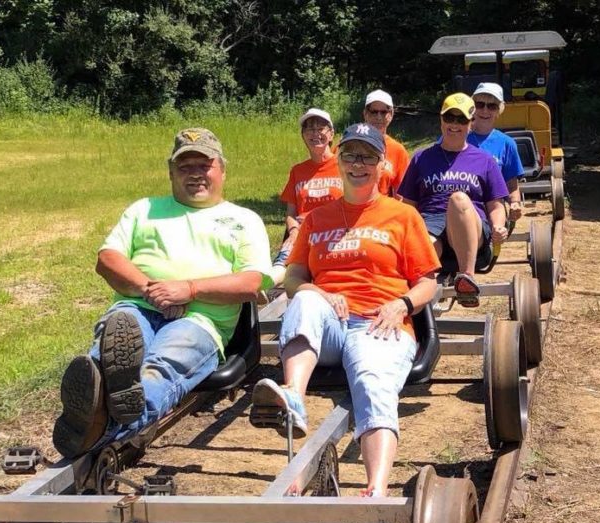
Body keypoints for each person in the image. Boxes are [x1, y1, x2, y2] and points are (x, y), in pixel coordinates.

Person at [53, 127, 272, 458]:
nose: (195, 174)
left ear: (222, 170)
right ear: (171, 172)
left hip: (200, 320)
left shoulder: (244, 220)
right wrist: (150, 290)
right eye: (185, 167)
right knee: (112, 352)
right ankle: (102, 404)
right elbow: (107, 259)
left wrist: (188, 289)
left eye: (204, 165)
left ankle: (96, 426)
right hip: (137, 306)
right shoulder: (144, 210)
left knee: (162, 366)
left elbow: (251, 283)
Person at [252, 123, 439, 501]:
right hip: (330, 327)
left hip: (379, 324)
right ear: (338, 160)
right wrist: (319, 292)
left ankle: (375, 494)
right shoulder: (317, 219)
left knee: (373, 384)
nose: (358, 163)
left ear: (382, 164)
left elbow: (428, 283)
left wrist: (400, 304)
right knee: (303, 300)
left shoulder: (402, 217)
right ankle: (293, 396)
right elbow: (293, 279)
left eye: (368, 156)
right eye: (351, 154)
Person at [397, 93, 509, 308]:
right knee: (424, 245)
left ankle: (466, 278)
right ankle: (419, 292)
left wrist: (498, 226)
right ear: (441, 120)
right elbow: (408, 205)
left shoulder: (484, 160)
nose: (454, 125)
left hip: (470, 226)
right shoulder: (422, 158)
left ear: (471, 123)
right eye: (450, 118)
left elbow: (495, 204)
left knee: (458, 199)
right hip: (431, 223)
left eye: (461, 120)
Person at [270, 108, 343, 285]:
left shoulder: (343, 166)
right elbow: (291, 213)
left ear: (331, 133)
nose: (315, 134)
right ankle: (266, 285)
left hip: (333, 232)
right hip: (302, 232)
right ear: (303, 135)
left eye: (321, 128)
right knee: (286, 258)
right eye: (309, 129)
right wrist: (294, 231)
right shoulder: (298, 171)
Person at [468, 82, 525, 221]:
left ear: (499, 110)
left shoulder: (507, 144)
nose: (485, 111)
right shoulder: (456, 136)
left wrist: (515, 204)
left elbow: (511, 186)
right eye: (480, 104)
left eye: (492, 106)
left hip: (491, 211)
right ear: (472, 107)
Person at [363, 89, 410, 198]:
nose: (379, 117)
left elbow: (401, 195)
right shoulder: (349, 145)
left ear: (391, 114)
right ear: (365, 113)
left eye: (384, 112)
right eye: (374, 112)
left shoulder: (398, 151)